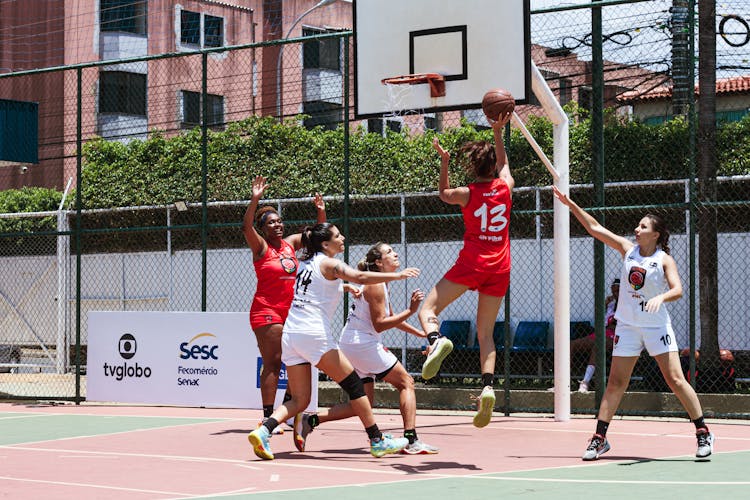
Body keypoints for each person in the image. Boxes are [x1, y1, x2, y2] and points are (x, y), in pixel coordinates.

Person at [551, 185, 714, 461]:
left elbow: (678, 289)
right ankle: (599, 438)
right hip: (627, 326)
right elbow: (594, 228)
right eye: (638, 226)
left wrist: (660, 298)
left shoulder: (664, 259)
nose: (636, 230)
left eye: (643, 226)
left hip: (655, 326)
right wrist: (570, 204)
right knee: (615, 382)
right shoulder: (628, 250)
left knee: (675, 379)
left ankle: (702, 432)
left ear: (656, 234)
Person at [247, 223, 420, 460]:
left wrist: (345, 287)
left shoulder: (305, 264)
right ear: (325, 244)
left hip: (292, 334)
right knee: (355, 386)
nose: (343, 238)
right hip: (314, 335)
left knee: (300, 399)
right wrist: (397, 275)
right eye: (338, 236)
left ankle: (264, 430)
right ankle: (377, 440)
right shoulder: (328, 263)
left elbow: (318, 287)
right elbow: (360, 275)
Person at [293, 242, 439, 455]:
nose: (396, 254)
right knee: (406, 382)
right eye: (389, 252)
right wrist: (411, 310)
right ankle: (411, 440)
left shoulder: (379, 283)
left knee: (362, 404)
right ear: (379, 262)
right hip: (362, 344)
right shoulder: (375, 285)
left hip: (353, 343)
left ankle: (311, 420)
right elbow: (380, 323)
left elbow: (390, 318)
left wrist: (422, 334)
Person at [418, 112, 514, 429]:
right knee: (486, 333)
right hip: (500, 267)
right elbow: (504, 164)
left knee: (428, 307)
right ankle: (488, 386)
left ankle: (436, 339)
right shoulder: (506, 188)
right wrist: (498, 132)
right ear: (493, 168)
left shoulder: (468, 193)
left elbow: (443, 194)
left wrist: (444, 162)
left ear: (473, 167)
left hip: (472, 262)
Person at [242, 176, 326, 433]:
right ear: (264, 228)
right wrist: (255, 199)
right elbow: (246, 226)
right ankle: (268, 417)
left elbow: (318, 237)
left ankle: (288, 412)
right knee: (274, 362)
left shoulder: (290, 244)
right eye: (271, 222)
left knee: (296, 360)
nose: (277, 225)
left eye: (279, 221)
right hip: (266, 311)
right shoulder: (261, 247)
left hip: (292, 312)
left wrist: (321, 212)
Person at [573, 278, 619, 393]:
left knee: (597, 347)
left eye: (618, 291)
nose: (615, 293)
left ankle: (585, 382)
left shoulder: (627, 303)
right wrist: (604, 305)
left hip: (616, 335)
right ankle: (562, 382)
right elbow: (601, 320)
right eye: (613, 291)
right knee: (571, 345)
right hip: (602, 332)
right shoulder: (611, 304)